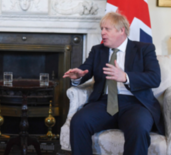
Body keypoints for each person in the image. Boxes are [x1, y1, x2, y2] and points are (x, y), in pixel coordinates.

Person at [63, 12, 164, 155]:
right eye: (101, 29)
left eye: (107, 29)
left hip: (135, 104)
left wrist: (125, 77)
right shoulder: (98, 50)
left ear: (121, 30)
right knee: (79, 122)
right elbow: (85, 70)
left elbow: (154, 78)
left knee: (139, 128)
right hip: (103, 103)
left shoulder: (144, 49)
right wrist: (77, 76)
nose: (102, 33)